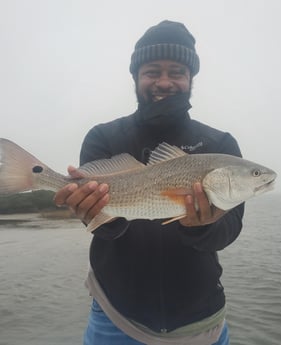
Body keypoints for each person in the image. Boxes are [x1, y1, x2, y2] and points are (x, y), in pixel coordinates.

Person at [54, 20, 244, 345]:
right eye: (153, 71)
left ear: (191, 79)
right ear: (136, 77)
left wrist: (201, 226)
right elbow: (105, 230)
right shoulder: (103, 137)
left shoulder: (221, 145)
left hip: (200, 321)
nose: (165, 82)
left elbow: (229, 230)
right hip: (115, 317)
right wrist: (94, 213)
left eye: (177, 72)